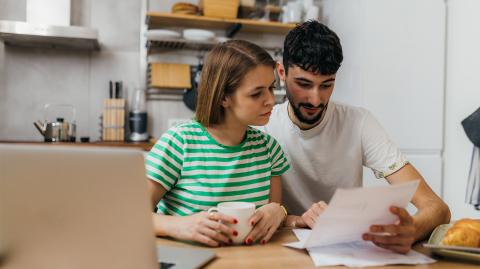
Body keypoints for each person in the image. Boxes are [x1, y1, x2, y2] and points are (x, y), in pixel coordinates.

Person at [262, 21, 451, 254]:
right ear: (281, 72)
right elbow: (248, 210)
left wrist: (411, 229)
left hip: (347, 255)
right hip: (281, 254)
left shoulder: (359, 122)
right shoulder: (264, 127)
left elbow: (437, 208)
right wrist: (292, 219)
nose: (315, 100)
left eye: (326, 85)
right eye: (304, 84)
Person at [145, 40, 290, 247]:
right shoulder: (180, 143)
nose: (270, 100)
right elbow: (130, 215)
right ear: (223, 98)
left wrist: (278, 210)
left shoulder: (268, 149)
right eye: (256, 93)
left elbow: (273, 213)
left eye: (271, 88)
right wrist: (179, 225)